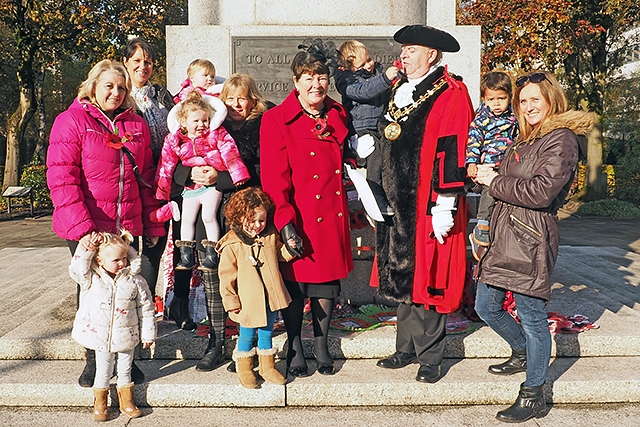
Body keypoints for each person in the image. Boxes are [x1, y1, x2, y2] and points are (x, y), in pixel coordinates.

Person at [474, 70, 594, 423]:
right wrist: (483, 223)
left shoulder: (560, 140)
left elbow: (541, 193)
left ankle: (534, 395)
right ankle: (524, 351)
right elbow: (504, 187)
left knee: (531, 315)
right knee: (486, 305)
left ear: (551, 100)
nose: (527, 107)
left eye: (534, 100)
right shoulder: (524, 140)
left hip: (530, 237)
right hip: (503, 234)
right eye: (522, 101)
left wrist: (495, 180)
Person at [47, 59, 164, 388]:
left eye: (122, 87)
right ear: (93, 87)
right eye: (109, 86)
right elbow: (62, 179)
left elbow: (147, 178)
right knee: (92, 294)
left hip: (125, 227)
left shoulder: (136, 125)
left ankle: (127, 357)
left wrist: (152, 224)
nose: (116, 92)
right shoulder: (71, 121)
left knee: (127, 293)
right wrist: (86, 232)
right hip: (88, 225)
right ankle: (93, 359)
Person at [374, 25, 474, 384]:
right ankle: (405, 349)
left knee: (430, 277)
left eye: (412, 49)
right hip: (398, 201)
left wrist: (446, 200)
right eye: (403, 50)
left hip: (429, 202)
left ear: (432, 54)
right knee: (403, 273)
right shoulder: (401, 90)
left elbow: (453, 148)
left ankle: (430, 357)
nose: (404, 55)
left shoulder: (451, 93)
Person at [261, 41, 354, 378]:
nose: (316, 84)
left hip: (331, 210)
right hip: (299, 213)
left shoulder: (338, 114)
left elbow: (345, 157)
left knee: (327, 284)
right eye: (309, 77)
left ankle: (322, 342)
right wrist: (285, 223)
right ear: (295, 82)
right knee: (297, 285)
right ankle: (297, 344)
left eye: (322, 77)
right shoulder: (275, 120)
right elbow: (274, 179)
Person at [123, 38, 198, 333]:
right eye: (137, 61)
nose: (144, 67)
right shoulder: (121, 95)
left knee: (180, 243)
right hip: (136, 181)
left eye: (149, 62)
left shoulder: (163, 95)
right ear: (126, 63)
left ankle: (177, 303)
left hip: (172, 180)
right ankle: (138, 309)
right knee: (141, 248)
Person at [155, 90, 249, 272]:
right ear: (184, 122)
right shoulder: (175, 140)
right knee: (186, 219)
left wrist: (239, 176)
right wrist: (162, 191)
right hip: (192, 188)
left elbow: (231, 154)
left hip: (212, 187)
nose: (201, 125)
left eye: (205, 120)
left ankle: (212, 253)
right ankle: (186, 255)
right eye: (196, 121)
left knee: (208, 216)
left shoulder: (216, 134)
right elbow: (166, 165)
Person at [70, 230, 156, 421]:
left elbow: (146, 308)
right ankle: (100, 402)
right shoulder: (92, 279)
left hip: (126, 334)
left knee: (125, 369)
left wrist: (148, 334)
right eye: (116, 260)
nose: (121, 263)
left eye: (124, 258)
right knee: (103, 370)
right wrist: (88, 248)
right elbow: (77, 269)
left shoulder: (135, 280)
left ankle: (127, 401)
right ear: (100, 261)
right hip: (102, 336)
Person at [218, 187, 296, 388]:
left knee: (267, 331)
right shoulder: (232, 244)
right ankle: (244, 368)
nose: (257, 225)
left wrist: (290, 249)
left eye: (261, 220)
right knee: (246, 334)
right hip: (248, 301)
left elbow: (278, 255)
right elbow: (226, 277)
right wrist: (231, 302)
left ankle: (267, 367)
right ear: (238, 217)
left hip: (269, 295)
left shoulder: (269, 235)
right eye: (251, 221)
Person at [334, 39, 399, 216]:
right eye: (363, 64)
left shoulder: (376, 72)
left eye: (369, 60)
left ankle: (388, 192)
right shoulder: (346, 79)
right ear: (350, 67)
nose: (369, 65)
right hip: (361, 128)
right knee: (376, 156)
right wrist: (385, 79)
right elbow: (363, 92)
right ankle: (374, 193)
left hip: (380, 127)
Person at [466, 71, 518, 260]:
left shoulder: (514, 117)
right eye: (491, 99)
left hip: (508, 165)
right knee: (490, 189)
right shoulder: (481, 119)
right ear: (484, 99)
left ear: (510, 97)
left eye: (501, 98)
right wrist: (471, 162)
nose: (496, 104)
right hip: (489, 165)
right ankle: (482, 223)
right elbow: (473, 140)